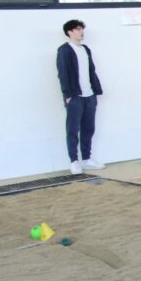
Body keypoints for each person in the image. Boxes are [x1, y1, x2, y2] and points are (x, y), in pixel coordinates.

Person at [56, 19, 104, 174]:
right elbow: (62, 73)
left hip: (90, 95)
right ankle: (74, 161)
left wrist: (95, 90)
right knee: (72, 129)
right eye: (77, 29)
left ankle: (86, 158)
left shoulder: (85, 49)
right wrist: (68, 94)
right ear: (69, 32)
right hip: (75, 96)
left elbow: (91, 71)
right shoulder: (65, 50)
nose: (81, 32)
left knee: (88, 128)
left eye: (82, 29)